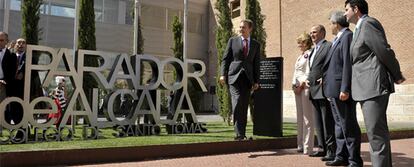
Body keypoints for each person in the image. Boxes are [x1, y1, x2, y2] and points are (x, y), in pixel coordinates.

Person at [344, 1, 406, 166]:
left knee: (376, 134)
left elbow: (383, 51)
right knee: (375, 134)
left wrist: (396, 74)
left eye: (347, 9)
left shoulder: (368, 24)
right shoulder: (358, 29)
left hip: (373, 86)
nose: (345, 14)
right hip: (364, 87)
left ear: (356, 9)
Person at [322, 11, 362, 167]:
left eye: (331, 23)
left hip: (341, 90)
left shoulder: (347, 37)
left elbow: (347, 63)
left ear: (336, 24)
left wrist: (345, 88)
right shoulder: (337, 38)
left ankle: (354, 160)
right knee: (339, 125)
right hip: (332, 89)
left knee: (348, 124)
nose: (330, 26)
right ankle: (341, 156)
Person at [220, 19, 260, 141]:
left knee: (243, 106)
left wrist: (256, 81)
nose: (241, 29)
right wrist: (223, 74)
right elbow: (225, 59)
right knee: (237, 101)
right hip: (234, 77)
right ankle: (238, 133)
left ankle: (241, 134)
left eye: (243, 27)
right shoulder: (232, 41)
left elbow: (256, 63)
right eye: (240, 27)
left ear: (250, 29)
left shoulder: (255, 44)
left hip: (248, 79)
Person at [306, 25, 336, 161]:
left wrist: (325, 77)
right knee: (318, 122)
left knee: (327, 121)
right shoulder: (312, 50)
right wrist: (308, 79)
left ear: (322, 33)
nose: (312, 35)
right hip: (313, 90)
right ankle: (322, 148)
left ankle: (332, 151)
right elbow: (314, 68)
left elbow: (332, 65)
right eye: (311, 33)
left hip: (323, 89)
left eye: (314, 32)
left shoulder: (329, 46)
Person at [292, 32, 314, 155]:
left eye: (300, 42)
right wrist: (294, 85)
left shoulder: (310, 54)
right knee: (300, 118)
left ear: (306, 42)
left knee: (307, 119)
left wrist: (301, 84)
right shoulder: (300, 56)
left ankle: (307, 147)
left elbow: (309, 72)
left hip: (305, 88)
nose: (299, 45)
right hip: (297, 89)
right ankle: (300, 144)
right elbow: (296, 73)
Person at [0, 32, 18, 127]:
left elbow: (12, 72)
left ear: (6, 41)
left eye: (1, 40)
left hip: (3, 85)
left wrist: (4, 80)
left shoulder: (11, 55)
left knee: (2, 109)